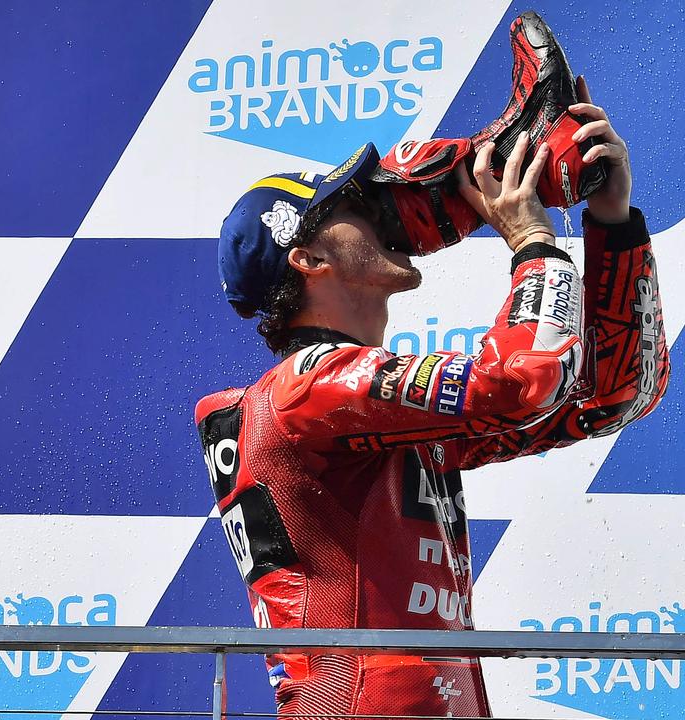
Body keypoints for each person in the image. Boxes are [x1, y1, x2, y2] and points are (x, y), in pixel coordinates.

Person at [194, 75, 668, 718]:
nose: (383, 219)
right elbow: (521, 382)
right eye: (356, 210)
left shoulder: (380, 420)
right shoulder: (305, 393)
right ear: (307, 259)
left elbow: (611, 397)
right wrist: (532, 243)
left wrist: (612, 222)